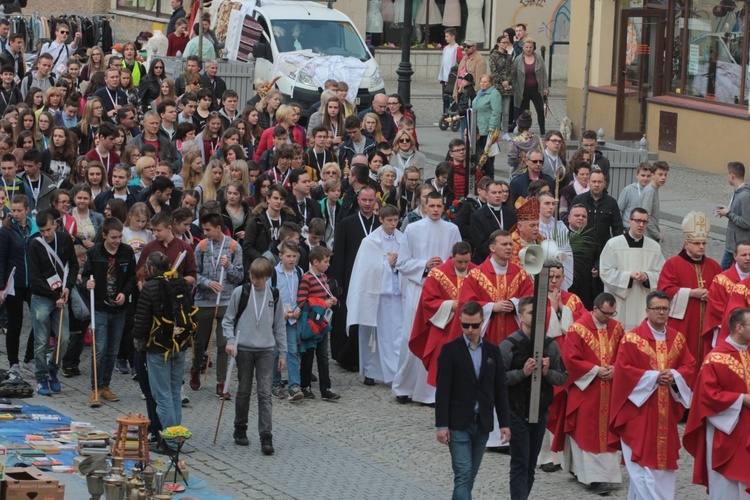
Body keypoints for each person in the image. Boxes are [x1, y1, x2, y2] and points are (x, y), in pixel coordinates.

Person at [609, 290, 696, 500]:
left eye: (665, 308)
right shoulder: (631, 339)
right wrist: (654, 377)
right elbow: (623, 372)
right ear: (647, 310)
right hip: (638, 413)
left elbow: (690, 366)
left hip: (665, 416)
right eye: (657, 308)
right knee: (641, 469)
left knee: (661, 468)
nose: (661, 313)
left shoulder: (677, 338)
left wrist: (674, 375)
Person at [436, 301, 511, 500]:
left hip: (482, 422)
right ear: (460, 322)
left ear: (482, 322)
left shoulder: (493, 352)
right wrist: (441, 425)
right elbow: (442, 390)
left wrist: (504, 423)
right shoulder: (450, 351)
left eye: (475, 326)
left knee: (470, 474)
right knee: (463, 474)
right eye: (466, 325)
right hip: (458, 422)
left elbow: (500, 389)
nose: (470, 330)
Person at [392, 192, 462, 404]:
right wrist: (424, 265)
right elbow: (402, 263)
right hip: (419, 289)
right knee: (412, 337)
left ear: (443, 207)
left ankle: (432, 391)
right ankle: (404, 386)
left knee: (439, 340)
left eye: (439, 206)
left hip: (445, 294)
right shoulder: (413, 229)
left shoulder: (452, 229)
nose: (435, 210)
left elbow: (458, 260)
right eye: (431, 205)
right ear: (424, 205)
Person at [555, 292, 625, 494]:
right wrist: (595, 370)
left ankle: (604, 474)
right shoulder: (578, 329)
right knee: (586, 431)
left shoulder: (617, 328)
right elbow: (570, 359)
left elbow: (625, 354)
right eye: (605, 313)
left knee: (608, 430)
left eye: (612, 313)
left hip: (610, 388)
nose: (609, 318)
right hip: (586, 388)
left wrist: (615, 367)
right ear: (594, 309)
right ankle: (593, 477)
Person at [500, 296, 567, 500]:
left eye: (539, 313)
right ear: (520, 316)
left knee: (530, 464)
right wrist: (522, 373)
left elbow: (562, 377)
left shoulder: (550, 345)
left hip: (540, 412)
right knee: (520, 462)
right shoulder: (509, 344)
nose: (536, 317)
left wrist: (546, 372)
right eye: (531, 312)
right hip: (516, 411)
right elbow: (498, 379)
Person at [684, 307, 750, 498]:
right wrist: (741, 399)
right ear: (738, 328)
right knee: (726, 487)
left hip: (746, 428)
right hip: (725, 429)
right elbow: (707, 397)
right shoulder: (715, 359)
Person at [132, 251, 195, 451]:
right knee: (175, 392)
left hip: (158, 347)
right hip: (180, 344)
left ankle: (169, 441)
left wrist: (137, 342)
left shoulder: (150, 288)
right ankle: (176, 436)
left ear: (151, 268)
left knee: (163, 396)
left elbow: (142, 324)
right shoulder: (182, 283)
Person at [223, 257, 285, 454]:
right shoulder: (240, 292)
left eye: (259, 278)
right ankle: (240, 428)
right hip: (245, 349)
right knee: (243, 390)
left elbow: (279, 326)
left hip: (266, 350)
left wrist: (282, 352)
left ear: (267, 277)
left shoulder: (274, 295)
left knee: (265, 393)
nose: (255, 281)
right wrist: (231, 341)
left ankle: (266, 436)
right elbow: (228, 320)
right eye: (252, 277)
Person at [346, 205, 404, 385]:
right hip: (377, 295)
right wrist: (387, 264)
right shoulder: (370, 242)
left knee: (396, 336)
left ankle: (396, 374)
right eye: (389, 221)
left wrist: (397, 264)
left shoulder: (403, 240)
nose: (393, 224)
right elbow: (366, 270)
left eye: (396, 220)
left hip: (396, 294)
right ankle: (371, 371)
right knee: (373, 336)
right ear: (381, 220)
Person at [82, 218, 136, 407]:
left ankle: (105, 385)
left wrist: (125, 292)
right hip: (100, 307)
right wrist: (87, 283)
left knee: (112, 350)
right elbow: (85, 274)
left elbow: (131, 276)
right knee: (100, 349)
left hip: (119, 308)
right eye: (114, 237)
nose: (118, 240)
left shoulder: (127, 251)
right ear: (104, 235)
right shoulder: (94, 252)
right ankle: (94, 388)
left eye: (120, 236)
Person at [657, 211, 721, 365]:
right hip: (683, 322)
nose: (701, 247)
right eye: (697, 243)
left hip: (707, 323)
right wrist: (691, 293)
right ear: (686, 244)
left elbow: (722, 291)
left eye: (704, 243)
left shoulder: (714, 266)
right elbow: (664, 291)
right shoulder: (673, 264)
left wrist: (710, 294)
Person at [190, 213, 244, 395]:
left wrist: (228, 266)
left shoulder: (234, 247)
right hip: (204, 301)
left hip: (226, 300)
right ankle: (196, 368)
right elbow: (194, 274)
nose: (204, 233)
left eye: (207, 229)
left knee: (223, 343)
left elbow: (239, 276)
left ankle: (221, 382)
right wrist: (207, 283)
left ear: (218, 228)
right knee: (200, 341)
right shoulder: (202, 247)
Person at [409, 242, 475, 389]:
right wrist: (450, 305)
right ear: (452, 257)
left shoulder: (477, 273)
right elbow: (428, 301)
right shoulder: (437, 273)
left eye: (467, 261)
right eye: (459, 262)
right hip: (446, 326)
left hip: (471, 329)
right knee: (442, 364)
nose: (464, 265)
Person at [28, 209, 78, 395]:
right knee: (41, 341)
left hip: (62, 295)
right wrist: (54, 295)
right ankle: (41, 377)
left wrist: (67, 288)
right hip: (42, 296)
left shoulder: (64, 239)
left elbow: (73, 265)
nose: (46, 234)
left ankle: (53, 370)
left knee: (64, 338)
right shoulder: (34, 244)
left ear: (55, 225)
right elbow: (34, 278)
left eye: (48, 229)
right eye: (42, 231)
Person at [599, 207, 664, 331]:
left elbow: (662, 273)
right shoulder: (613, 244)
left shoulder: (654, 247)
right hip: (620, 302)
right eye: (637, 220)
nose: (641, 225)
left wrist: (647, 276)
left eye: (644, 222)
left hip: (643, 301)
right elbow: (605, 272)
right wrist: (629, 276)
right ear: (629, 222)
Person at [0, 194, 37, 374]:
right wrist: (1, 287)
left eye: (19, 210)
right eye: (13, 210)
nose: (15, 214)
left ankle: (29, 358)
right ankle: (13, 362)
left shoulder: (35, 229)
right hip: (14, 282)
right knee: (15, 324)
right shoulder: (6, 230)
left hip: (33, 283)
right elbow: (1, 260)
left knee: (39, 320)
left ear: (27, 210)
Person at [296, 245, 339, 400]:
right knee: (308, 356)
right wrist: (323, 304)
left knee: (323, 356)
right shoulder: (307, 278)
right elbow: (302, 302)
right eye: (326, 261)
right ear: (315, 262)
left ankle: (325, 388)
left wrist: (330, 300)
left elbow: (323, 297)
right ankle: (305, 386)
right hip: (310, 324)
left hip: (322, 323)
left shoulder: (323, 277)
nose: (328, 265)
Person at [702, 241, 750, 355]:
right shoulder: (721, 280)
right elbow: (717, 308)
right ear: (734, 256)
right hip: (729, 332)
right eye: (744, 255)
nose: (748, 258)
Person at [569, 170, 624, 269]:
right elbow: (569, 223)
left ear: (604, 184)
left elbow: (617, 228)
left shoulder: (611, 203)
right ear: (589, 182)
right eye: (594, 182)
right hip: (582, 248)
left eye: (599, 182)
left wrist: (617, 248)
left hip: (604, 249)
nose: (596, 185)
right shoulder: (579, 200)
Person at [470, 181, 515, 264]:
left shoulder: (511, 214)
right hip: (486, 261)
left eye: (500, 192)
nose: (497, 195)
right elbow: (480, 244)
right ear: (486, 195)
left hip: (508, 260)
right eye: (494, 193)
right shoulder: (477, 216)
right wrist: (499, 254)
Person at [716, 161, 750, 270]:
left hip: (738, 246)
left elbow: (746, 222)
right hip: (733, 244)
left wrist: (729, 214)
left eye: (727, 174)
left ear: (732, 176)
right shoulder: (737, 192)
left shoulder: (744, 196)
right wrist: (726, 212)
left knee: (722, 275)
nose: (727, 176)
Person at [513, 38, 547, 135]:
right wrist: (515, 87)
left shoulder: (539, 58)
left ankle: (543, 132)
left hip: (536, 89)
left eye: (530, 47)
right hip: (523, 90)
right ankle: (525, 132)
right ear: (523, 47)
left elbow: (544, 74)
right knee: (525, 112)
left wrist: (546, 88)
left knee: (540, 110)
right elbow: (514, 75)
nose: (528, 49)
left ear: (533, 48)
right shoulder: (518, 59)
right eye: (526, 47)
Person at [472, 74, 502, 178]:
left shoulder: (494, 94)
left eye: (485, 82)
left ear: (490, 83)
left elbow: (496, 111)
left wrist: (492, 126)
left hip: (487, 128)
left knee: (487, 153)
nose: (482, 84)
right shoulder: (481, 92)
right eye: (481, 81)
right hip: (479, 126)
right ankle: (480, 173)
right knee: (478, 151)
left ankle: (488, 175)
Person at [488, 35, 515, 134]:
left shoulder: (509, 56)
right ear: (498, 43)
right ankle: (495, 131)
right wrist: (502, 81)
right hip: (497, 86)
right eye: (503, 42)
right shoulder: (493, 56)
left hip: (507, 87)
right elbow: (493, 71)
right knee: (496, 110)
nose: (505, 44)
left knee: (506, 111)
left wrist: (508, 81)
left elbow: (512, 70)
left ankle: (506, 132)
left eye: (506, 43)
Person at [507, 111, 542, 178]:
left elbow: (511, 161)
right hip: (535, 174)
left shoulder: (515, 141)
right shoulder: (537, 138)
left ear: (518, 125)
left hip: (518, 175)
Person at [640, 161, 668, 242]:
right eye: (660, 174)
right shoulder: (650, 191)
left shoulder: (653, 190)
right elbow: (646, 216)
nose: (663, 177)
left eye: (665, 175)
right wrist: (657, 234)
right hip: (648, 237)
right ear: (653, 175)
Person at [438, 28, 462, 113]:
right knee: (445, 98)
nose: (446, 38)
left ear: (453, 37)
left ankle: (452, 115)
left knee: (452, 98)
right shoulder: (446, 48)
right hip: (445, 77)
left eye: (447, 36)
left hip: (452, 78)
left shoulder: (457, 49)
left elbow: (459, 62)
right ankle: (445, 115)